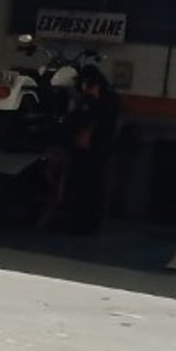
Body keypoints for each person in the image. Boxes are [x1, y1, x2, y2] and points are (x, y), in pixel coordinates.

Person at [61, 64, 119, 235]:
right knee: (83, 186)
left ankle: (87, 224)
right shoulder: (88, 98)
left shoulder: (106, 100)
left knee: (91, 187)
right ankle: (79, 222)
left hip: (97, 150)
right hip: (88, 150)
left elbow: (102, 122)